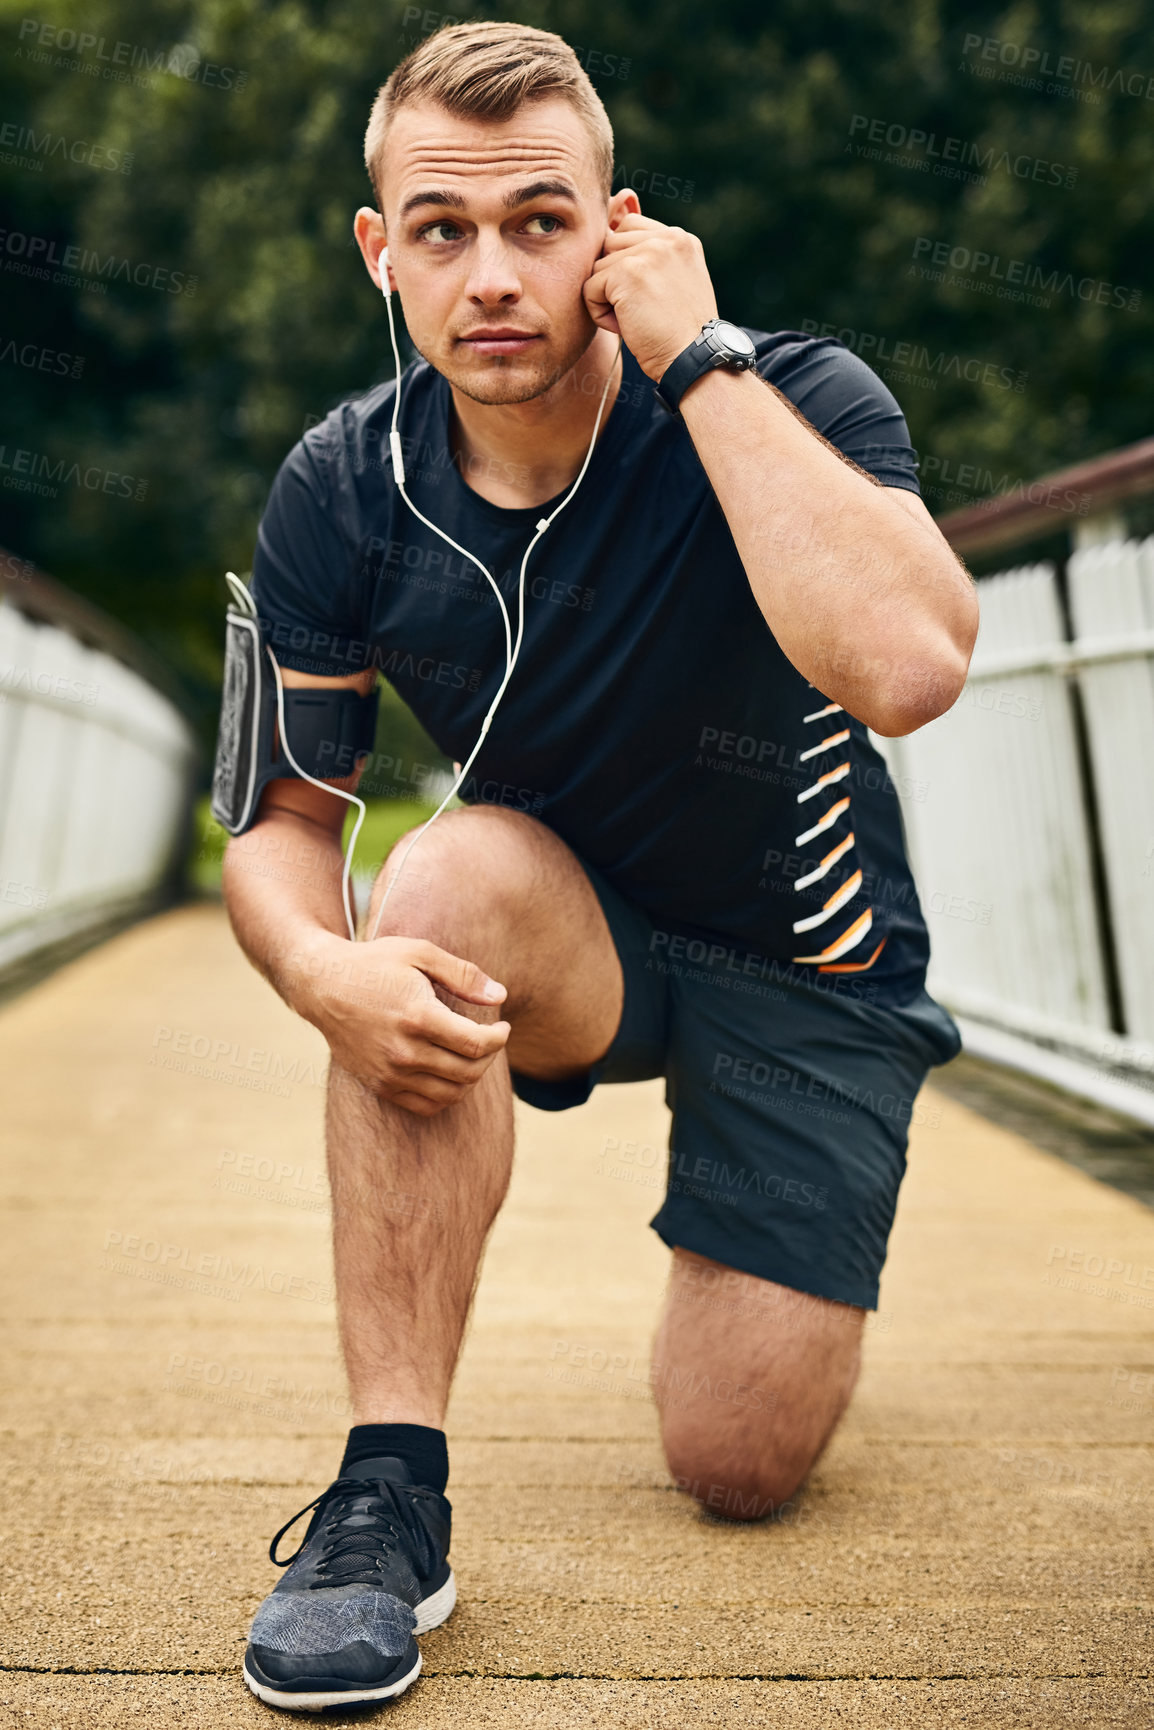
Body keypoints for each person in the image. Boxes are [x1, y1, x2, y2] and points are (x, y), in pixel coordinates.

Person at [220, 19, 977, 1713]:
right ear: (379, 251)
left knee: (735, 1453)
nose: (491, 273)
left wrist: (701, 360)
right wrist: (321, 968)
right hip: (571, 936)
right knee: (425, 892)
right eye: (442, 229)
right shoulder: (344, 490)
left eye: (539, 222)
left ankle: (774, 1237)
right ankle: (384, 1499)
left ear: (614, 227)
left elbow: (913, 667)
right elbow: (281, 826)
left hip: (810, 964)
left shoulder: (784, 393)